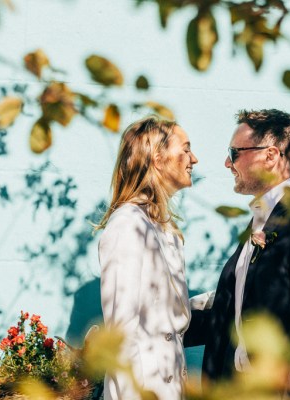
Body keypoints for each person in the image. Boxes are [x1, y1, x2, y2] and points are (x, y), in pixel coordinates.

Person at [185, 109, 290, 399]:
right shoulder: (259, 222)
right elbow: (232, 316)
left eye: (235, 153)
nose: (227, 163)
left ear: (271, 156)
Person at [96, 116, 199, 400]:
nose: (194, 159)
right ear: (158, 158)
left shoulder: (161, 228)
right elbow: (122, 332)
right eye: (186, 149)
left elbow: (159, 315)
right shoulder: (128, 224)